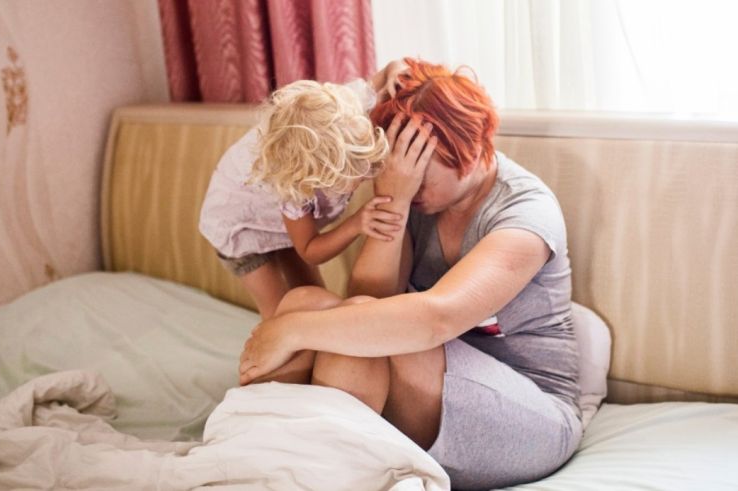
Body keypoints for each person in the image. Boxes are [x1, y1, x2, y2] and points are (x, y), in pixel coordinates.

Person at [238, 59, 583, 489]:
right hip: (433, 375)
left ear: (471, 151)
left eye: (420, 176)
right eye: (399, 172)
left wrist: (289, 332)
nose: (408, 184)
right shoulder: (416, 198)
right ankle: (279, 462)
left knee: (326, 325)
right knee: (306, 303)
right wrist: (394, 201)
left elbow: (435, 319)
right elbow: (367, 297)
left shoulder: (526, 213)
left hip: (530, 412)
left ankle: (307, 470)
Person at [198, 61, 409, 319]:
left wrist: (397, 72)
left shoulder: (346, 107)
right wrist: (357, 223)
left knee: (314, 299)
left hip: (277, 219)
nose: (369, 173)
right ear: (317, 180)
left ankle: (313, 350)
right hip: (239, 228)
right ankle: (267, 357)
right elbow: (310, 251)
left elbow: (392, 69)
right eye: (355, 175)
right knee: (281, 317)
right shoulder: (294, 187)